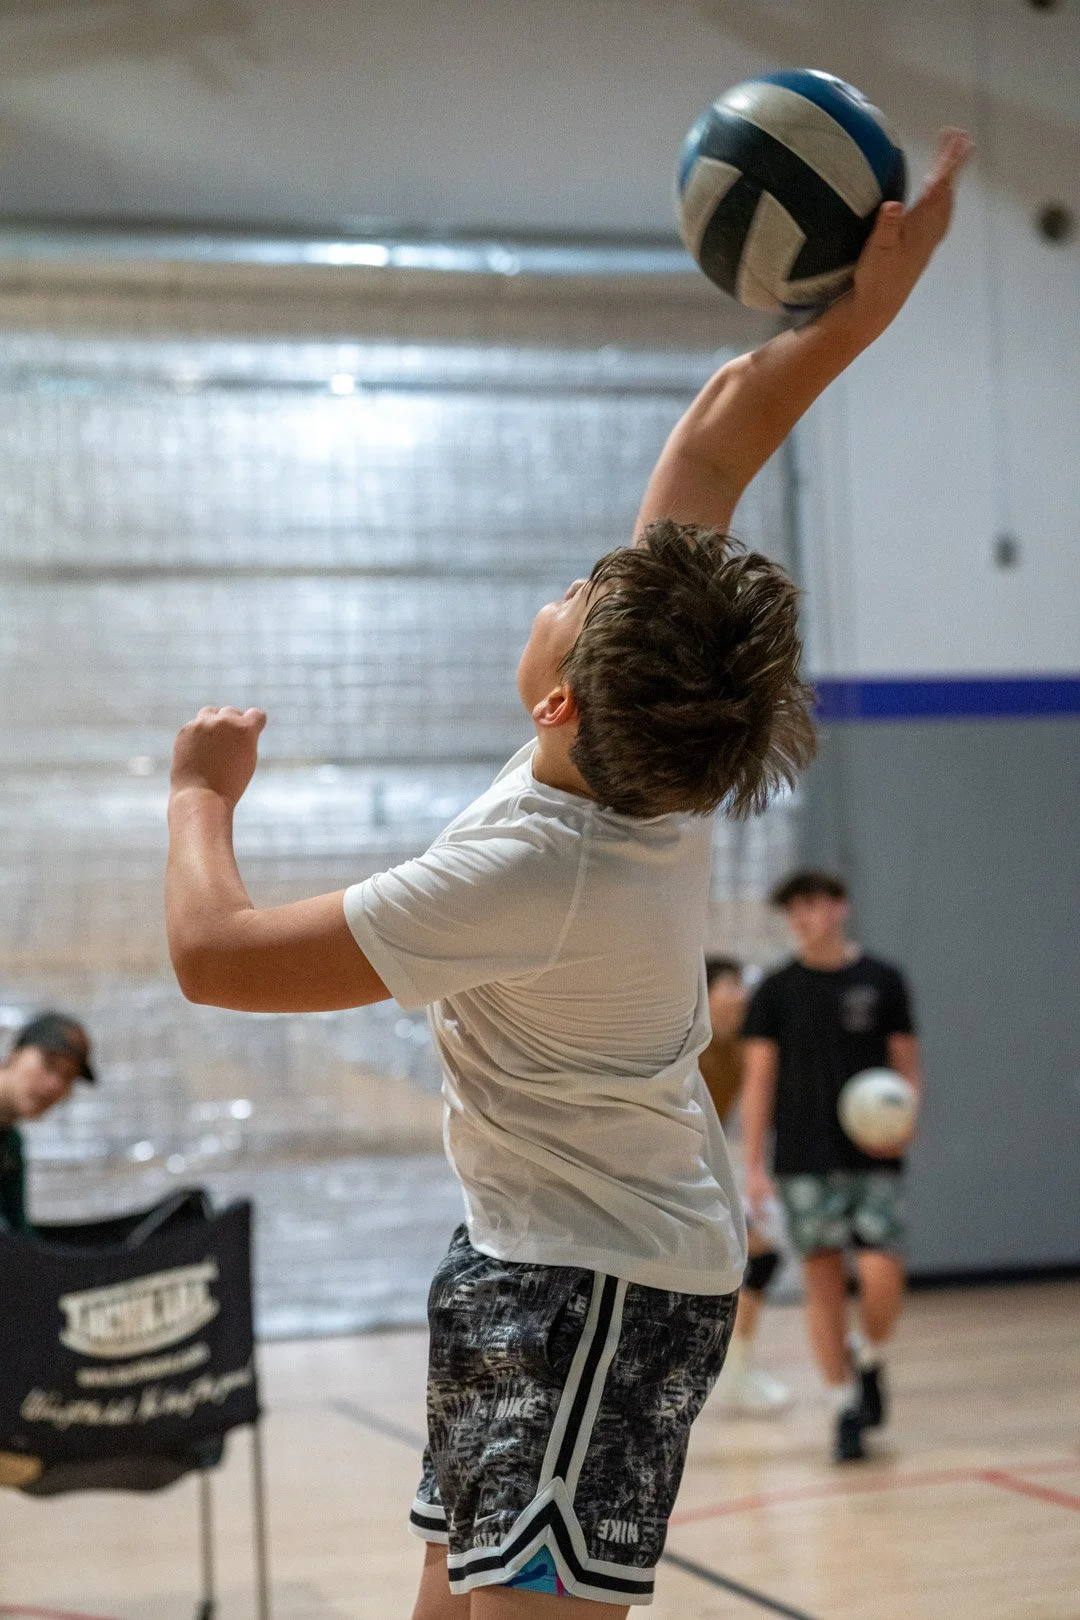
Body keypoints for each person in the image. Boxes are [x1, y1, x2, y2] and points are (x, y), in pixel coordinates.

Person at [164, 131, 969, 1617]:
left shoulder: (537, 868)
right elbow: (721, 441)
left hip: (597, 1290)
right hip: (524, 1253)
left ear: (559, 697)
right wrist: (863, 306)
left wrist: (196, 796)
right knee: (444, 1601)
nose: (575, 581)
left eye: (570, 598)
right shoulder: (654, 741)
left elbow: (217, 956)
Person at [741, 871, 923, 1465]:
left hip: (872, 1156)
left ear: (839, 907)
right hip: (802, 1159)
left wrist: (906, 1121)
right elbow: (759, 1077)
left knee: (879, 1276)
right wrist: (754, 1164)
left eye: (813, 906)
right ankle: (844, 1406)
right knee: (822, 1282)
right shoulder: (774, 989)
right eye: (794, 910)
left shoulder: (882, 979)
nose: (803, 918)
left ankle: (867, 1353)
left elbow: (905, 1063)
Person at [700, 958, 791, 1416]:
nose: (742, 994)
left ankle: (736, 1371)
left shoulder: (741, 1050)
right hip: (665, 1174)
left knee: (762, 1256)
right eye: (731, 985)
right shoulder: (681, 1044)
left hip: (699, 1172)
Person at [0, 1012, 96, 1234]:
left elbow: (19, 1237)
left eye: (68, 1076)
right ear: (15, 1054)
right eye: (49, 1063)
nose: (54, 1084)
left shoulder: (11, 1145)